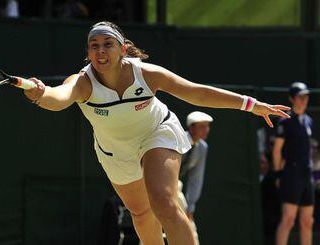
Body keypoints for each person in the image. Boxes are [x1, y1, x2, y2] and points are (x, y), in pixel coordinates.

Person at [23, 21, 290, 245]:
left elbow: (196, 92)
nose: (101, 51)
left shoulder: (147, 74)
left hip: (157, 133)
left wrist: (250, 104)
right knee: (140, 214)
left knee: (163, 201)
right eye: (95, 46)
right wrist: (40, 93)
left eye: (108, 44)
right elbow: (58, 98)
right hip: (115, 153)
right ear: (88, 53)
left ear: (123, 49)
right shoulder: (82, 82)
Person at [273, 82, 315, 245]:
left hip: (307, 175)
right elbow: (277, 151)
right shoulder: (285, 121)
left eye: (306, 96)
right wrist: (277, 174)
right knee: (289, 219)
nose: (304, 100)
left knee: (307, 221)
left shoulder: (309, 121)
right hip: (291, 173)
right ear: (292, 99)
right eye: (300, 97)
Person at [179, 111, 213, 222]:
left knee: (189, 225)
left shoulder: (202, 148)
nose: (206, 130)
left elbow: (196, 179)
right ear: (191, 128)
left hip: (175, 187)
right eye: (202, 126)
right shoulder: (179, 139)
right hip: (161, 185)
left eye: (207, 126)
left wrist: (190, 206)